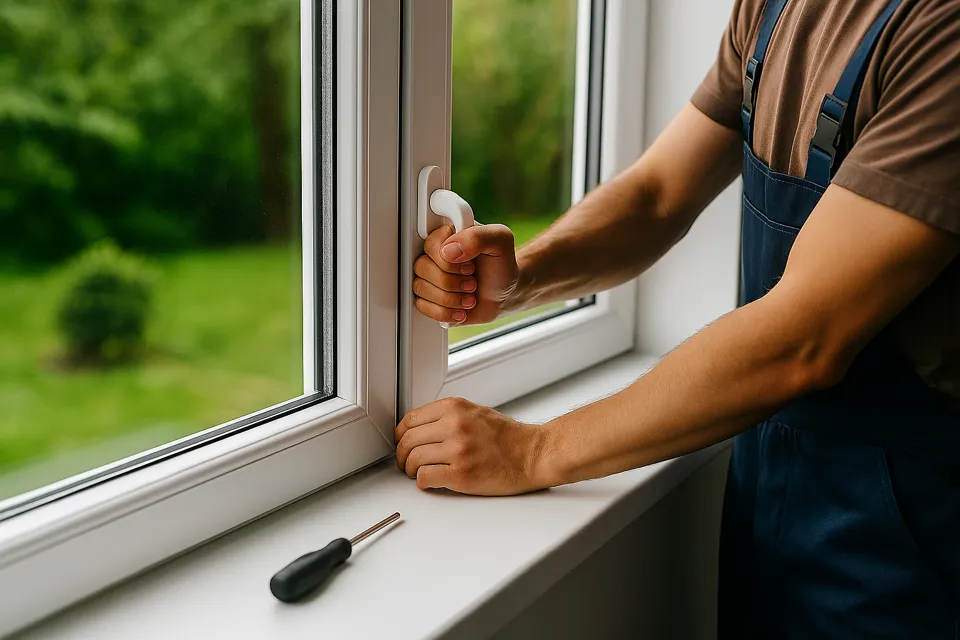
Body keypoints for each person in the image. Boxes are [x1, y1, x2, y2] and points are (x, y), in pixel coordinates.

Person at [395, 0, 960, 635]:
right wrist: (523, 277)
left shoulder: (942, 35)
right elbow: (658, 195)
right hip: (769, 483)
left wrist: (533, 452)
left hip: (907, 534)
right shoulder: (776, 9)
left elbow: (806, 338)